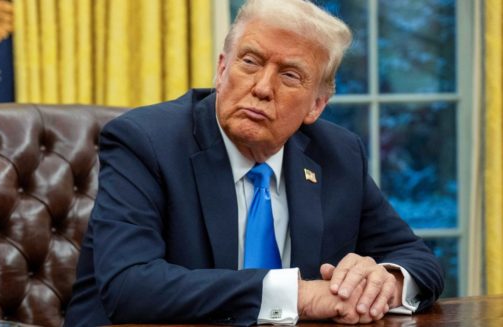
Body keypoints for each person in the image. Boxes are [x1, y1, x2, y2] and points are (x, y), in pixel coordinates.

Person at [65, 0, 444, 325]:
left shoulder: (338, 154)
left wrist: (385, 282)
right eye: (250, 62)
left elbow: (418, 260)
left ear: (316, 105)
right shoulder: (144, 142)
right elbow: (130, 285)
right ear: (221, 69)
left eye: (290, 75)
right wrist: (299, 296)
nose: (262, 88)